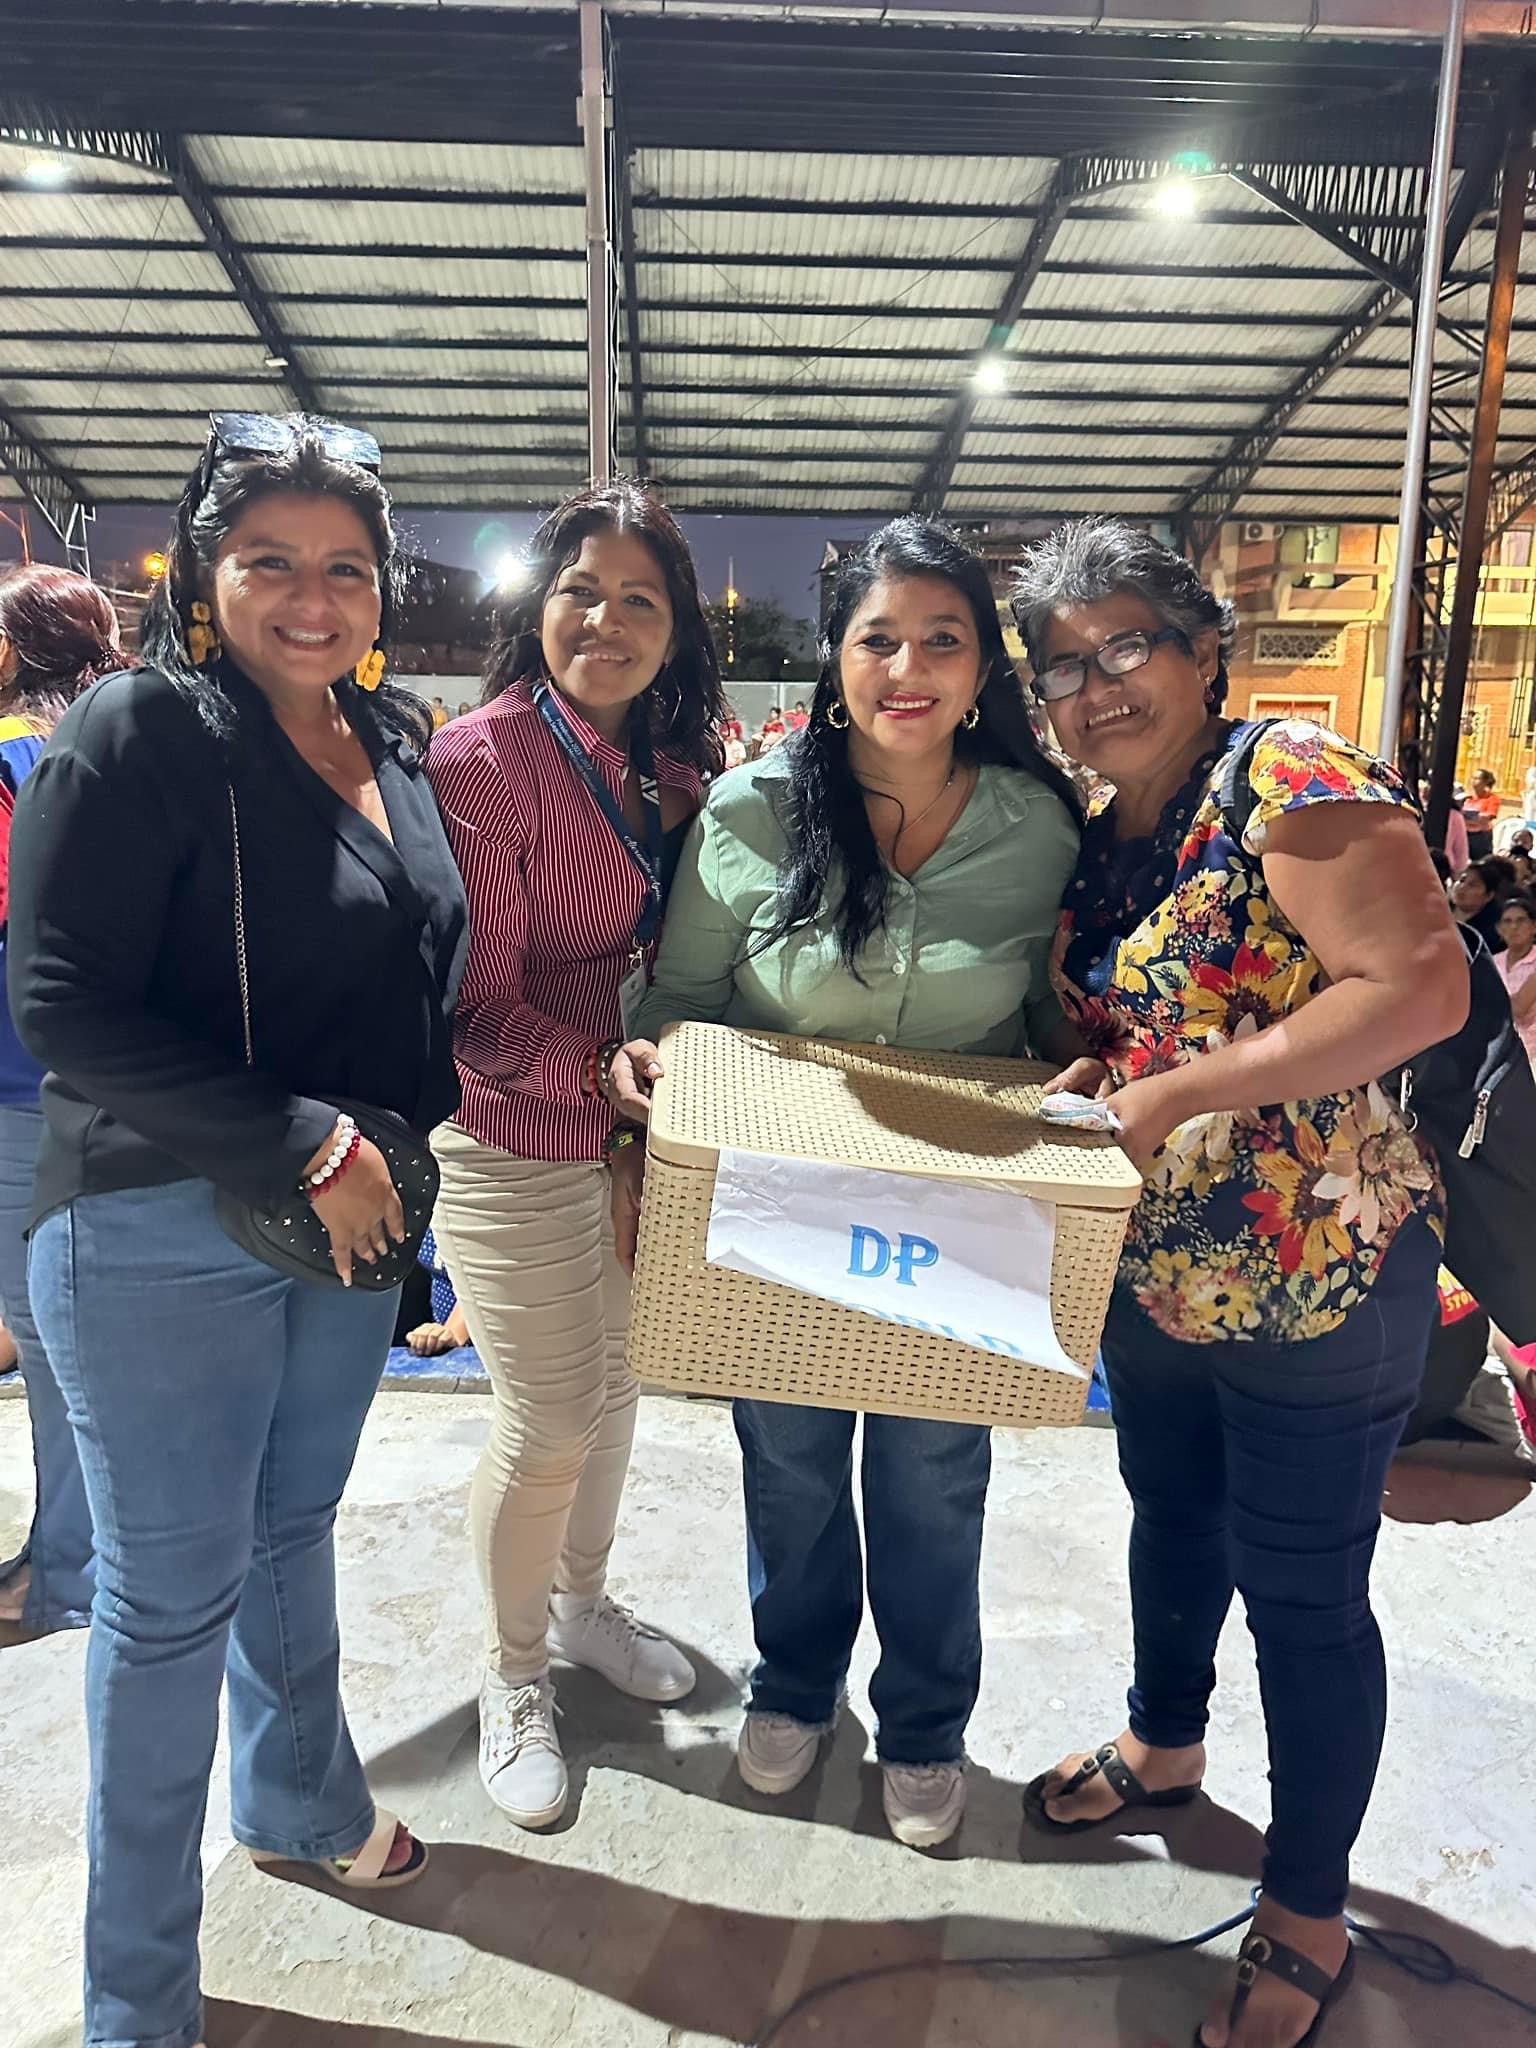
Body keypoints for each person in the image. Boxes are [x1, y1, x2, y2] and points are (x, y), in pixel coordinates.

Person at [8, 412, 469, 2048]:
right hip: (155, 1219)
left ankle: (298, 1797)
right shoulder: (137, 728)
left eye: (347, 567)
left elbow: (409, 972)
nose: (311, 596)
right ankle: (136, 2001)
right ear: (204, 570)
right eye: (270, 560)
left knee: (291, 1527)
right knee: (166, 1603)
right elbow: (64, 1004)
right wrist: (306, 1137)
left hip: (340, 1222)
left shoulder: (390, 739)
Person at [1009, 518, 1465, 2048]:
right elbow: (1149, 1023)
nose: (1097, 687)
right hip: (1163, 1277)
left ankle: (1309, 1905)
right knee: (1173, 1522)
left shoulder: (1289, 776)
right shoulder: (1109, 831)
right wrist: (1104, 1081)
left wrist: (1173, 1094)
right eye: (1063, 666)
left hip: (1322, 1275)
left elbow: (1418, 986)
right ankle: (1165, 1748)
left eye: (1127, 645)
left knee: (1305, 1597)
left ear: (1206, 651)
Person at [608, 516, 1084, 1851]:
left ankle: (925, 1723)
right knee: (793, 1463)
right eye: (881, 639)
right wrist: (645, 1087)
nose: (909, 668)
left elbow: (1056, 1017)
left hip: (958, 1209)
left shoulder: (1038, 827)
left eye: (944, 639)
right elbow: (684, 1000)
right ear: (838, 659)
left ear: (983, 668)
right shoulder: (755, 812)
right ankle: (796, 1681)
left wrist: (1087, 1071)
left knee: (935, 1477)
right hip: (784, 1204)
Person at [424, 479, 724, 1831]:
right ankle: (512, 1672)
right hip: (511, 1127)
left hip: (636, 1132)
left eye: (639, 600)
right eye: (580, 593)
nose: (607, 620)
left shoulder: (676, 770)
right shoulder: (480, 762)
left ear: (676, 628)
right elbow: (474, 1005)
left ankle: (583, 1604)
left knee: (615, 1392)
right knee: (546, 1417)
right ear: (538, 608)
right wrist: (601, 1070)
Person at [0, 565, 123, 1637]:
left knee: (53, 1344)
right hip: (107, 1090)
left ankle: (71, 1578)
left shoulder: (16, 757)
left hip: (20, 1090)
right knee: (75, 1340)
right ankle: (64, 1559)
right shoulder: (120, 740)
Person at [1493, 890, 1536, 1068]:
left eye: (1520, 920)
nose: (1514, 927)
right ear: (1499, 929)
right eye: (1507, 921)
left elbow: (1519, 1009)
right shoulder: (1492, 962)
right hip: (1495, 1048)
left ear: (1534, 927)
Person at [1449, 858, 1509, 954]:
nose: (1462, 887)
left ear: (1489, 896)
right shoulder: (1437, 911)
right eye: (1462, 880)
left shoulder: (1491, 933)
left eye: (1472, 885)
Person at [1465, 767, 1500, 858]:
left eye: (1477, 778)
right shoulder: (1466, 798)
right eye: (1473, 778)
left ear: (1485, 782)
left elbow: (1490, 815)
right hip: (1464, 833)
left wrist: (1470, 816)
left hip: (1481, 837)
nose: (1473, 781)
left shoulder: (1492, 798)